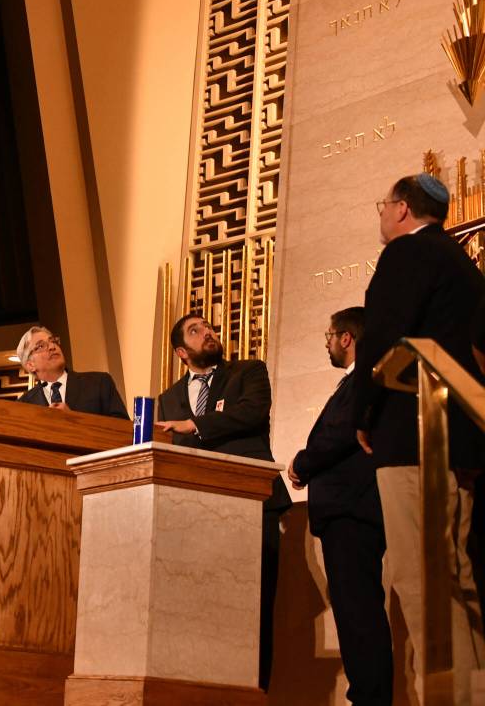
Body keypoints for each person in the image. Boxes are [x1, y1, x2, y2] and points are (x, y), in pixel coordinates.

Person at [354, 173, 485, 704]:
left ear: (403, 209)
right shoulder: (464, 265)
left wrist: (363, 412)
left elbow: (383, 338)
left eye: (384, 205)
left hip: (416, 433)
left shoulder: (406, 254)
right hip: (462, 437)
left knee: (422, 579)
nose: (382, 215)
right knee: (455, 581)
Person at [155, 313, 292, 691]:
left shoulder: (247, 372)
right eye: (196, 331)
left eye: (209, 327)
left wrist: (195, 425)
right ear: (181, 352)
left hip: (253, 501)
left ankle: (255, 693)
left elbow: (251, 413)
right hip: (194, 511)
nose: (208, 332)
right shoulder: (168, 398)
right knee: (201, 608)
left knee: (255, 608)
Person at [289, 307, 392, 705]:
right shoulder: (357, 380)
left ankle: (370, 698)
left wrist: (302, 463)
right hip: (349, 510)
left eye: (329, 336)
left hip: (352, 510)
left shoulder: (364, 379)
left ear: (346, 338)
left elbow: (342, 433)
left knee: (359, 614)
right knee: (355, 614)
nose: (327, 344)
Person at [15, 325, 129, 419]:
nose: (52, 347)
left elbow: (122, 428)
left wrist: (74, 419)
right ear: (30, 365)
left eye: (53, 341)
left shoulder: (99, 383)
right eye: (41, 346)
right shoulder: (23, 405)